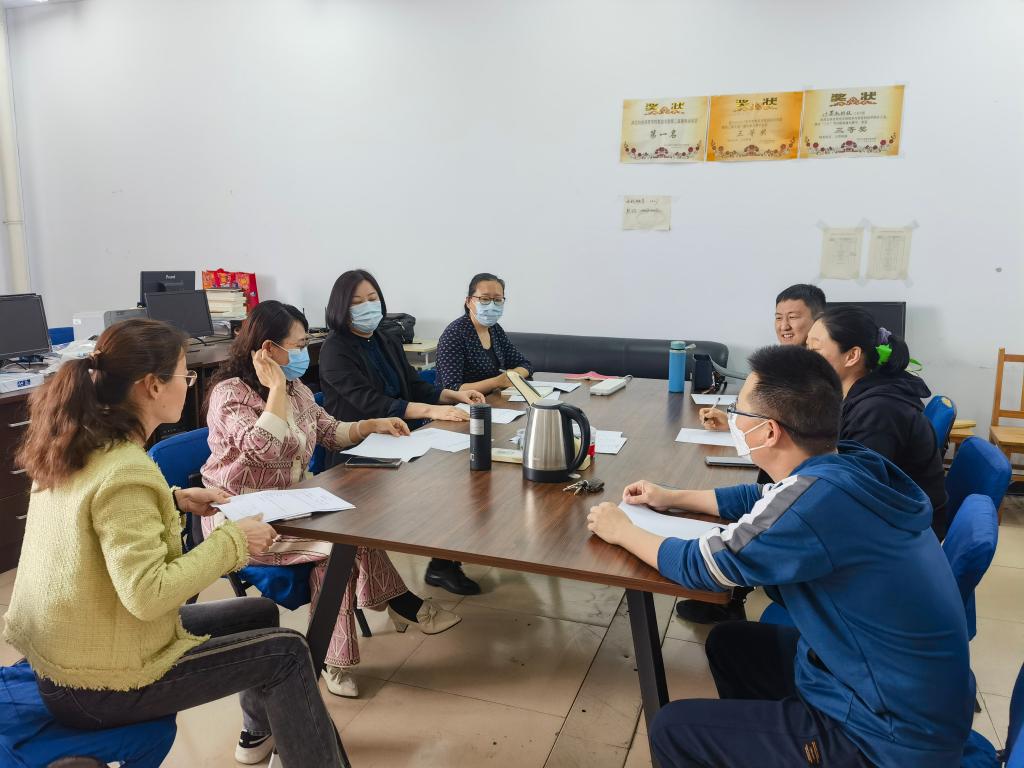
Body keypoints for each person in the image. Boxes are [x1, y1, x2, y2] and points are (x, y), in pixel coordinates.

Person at [586, 345, 972, 768]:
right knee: (732, 644)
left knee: (672, 728)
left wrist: (622, 530)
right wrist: (671, 496)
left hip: (886, 738)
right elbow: (762, 497)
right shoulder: (847, 464)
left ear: (768, 432)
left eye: (738, 412)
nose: (733, 420)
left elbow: (703, 566)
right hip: (895, 691)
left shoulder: (815, 504)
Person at [3, 319, 346, 768]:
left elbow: (97, 514)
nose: (188, 384)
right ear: (152, 386)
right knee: (288, 652)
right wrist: (233, 540)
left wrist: (173, 498)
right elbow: (148, 595)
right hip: (95, 685)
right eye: (184, 375)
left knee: (257, 613)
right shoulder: (125, 470)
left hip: (75, 651)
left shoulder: (77, 445)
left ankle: (260, 733)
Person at [202, 300, 460, 705]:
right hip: (240, 516)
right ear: (268, 349)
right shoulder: (230, 394)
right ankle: (355, 641)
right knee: (339, 546)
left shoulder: (298, 389)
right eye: (298, 344)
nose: (305, 352)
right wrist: (274, 391)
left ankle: (357, 636)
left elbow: (329, 431)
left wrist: (369, 425)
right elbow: (261, 448)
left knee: (355, 526)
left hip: (292, 506)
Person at [319, 269, 487, 596]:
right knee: (437, 484)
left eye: (372, 299)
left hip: (401, 439)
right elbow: (370, 402)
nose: (368, 306)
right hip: (359, 451)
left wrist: (452, 396)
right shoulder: (334, 349)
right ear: (341, 307)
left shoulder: (385, 338)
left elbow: (414, 384)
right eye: (357, 302)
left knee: (459, 475)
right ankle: (434, 566)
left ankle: (443, 563)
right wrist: (430, 411)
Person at [681, 282, 827, 624]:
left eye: (793, 317)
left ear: (818, 320)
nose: (784, 326)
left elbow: (794, 430)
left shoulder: (814, 373)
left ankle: (732, 586)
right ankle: (732, 586)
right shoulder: (791, 362)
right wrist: (734, 421)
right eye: (778, 317)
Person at [807, 305, 948, 537]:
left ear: (852, 356)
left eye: (815, 349)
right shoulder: (862, 394)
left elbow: (857, 493)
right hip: (894, 517)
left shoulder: (879, 411)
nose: (806, 358)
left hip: (908, 533)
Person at [436, 272, 534, 393]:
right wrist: (497, 382)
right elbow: (451, 388)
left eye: (498, 300)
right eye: (484, 299)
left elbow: (525, 364)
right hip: (461, 403)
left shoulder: (495, 329)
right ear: (468, 301)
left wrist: (514, 375)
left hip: (494, 399)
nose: (492, 305)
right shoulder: (454, 335)